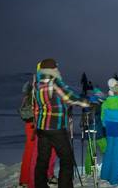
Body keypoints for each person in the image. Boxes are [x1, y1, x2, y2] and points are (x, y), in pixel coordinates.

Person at [33, 58, 89, 188]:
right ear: (53, 69)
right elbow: (70, 98)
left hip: (42, 128)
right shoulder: (54, 82)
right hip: (55, 127)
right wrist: (87, 103)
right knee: (66, 159)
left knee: (42, 160)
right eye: (56, 68)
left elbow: (45, 104)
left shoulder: (37, 84)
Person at [18, 73, 58, 188]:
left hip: (30, 125)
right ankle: (35, 179)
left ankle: (25, 179)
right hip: (36, 125)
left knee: (30, 152)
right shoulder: (38, 92)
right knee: (37, 153)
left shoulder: (31, 92)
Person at [83, 87, 107, 176]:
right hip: (99, 134)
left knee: (90, 152)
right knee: (107, 151)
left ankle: (89, 171)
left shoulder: (88, 106)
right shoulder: (98, 106)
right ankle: (111, 167)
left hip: (89, 133)